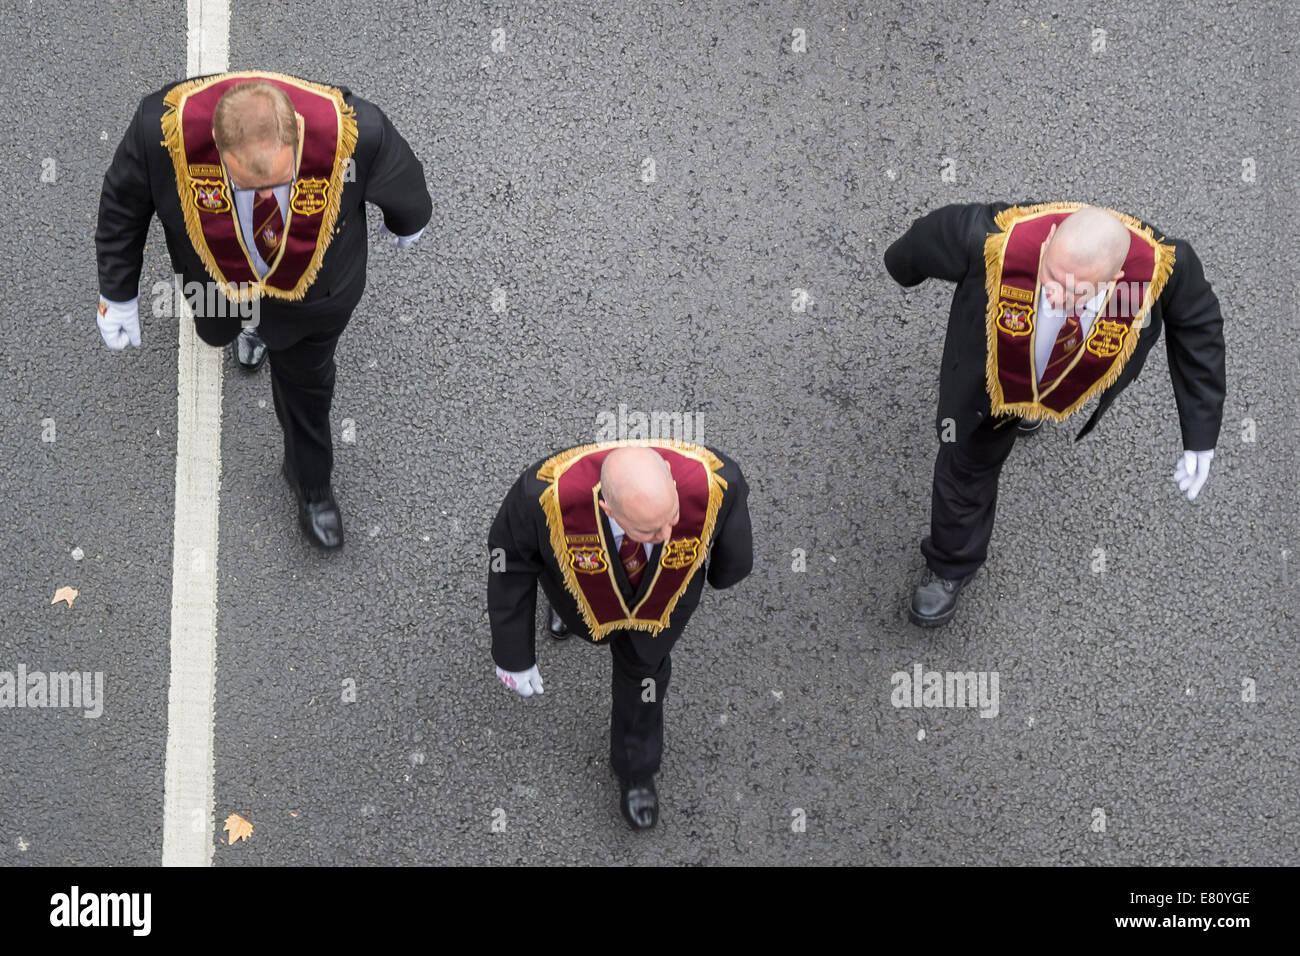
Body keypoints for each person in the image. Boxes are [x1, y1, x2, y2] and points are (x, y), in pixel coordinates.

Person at [94, 70, 431, 548]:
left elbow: (402, 177)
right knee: (217, 330)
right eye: (250, 185)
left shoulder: (356, 129)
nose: (269, 196)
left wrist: (409, 219)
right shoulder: (159, 131)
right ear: (218, 152)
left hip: (314, 300)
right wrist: (117, 293)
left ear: (295, 136)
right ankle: (249, 330)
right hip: (217, 287)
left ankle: (310, 483)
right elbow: (122, 207)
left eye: (279, 180)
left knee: (309, 388)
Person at [884, 202, 1226, 626]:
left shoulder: (1159, 269)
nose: (1058, 297)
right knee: (966, 464)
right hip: (988, 384)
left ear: (1116, 280)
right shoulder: (991, 236)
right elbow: (923, 238)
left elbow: (1200, 328)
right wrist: (901, 267)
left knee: (1050, 380)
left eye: (1079, 292)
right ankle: (950, 565)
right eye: (1052, 277)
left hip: (1068, 376)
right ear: (1046, 245)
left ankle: (1037, 402)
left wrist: (1200, 434)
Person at [488, 440, 753, 830]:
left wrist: (728, 570)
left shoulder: (717, 480)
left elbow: (730, 539)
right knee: (571, 575)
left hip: (657, 612)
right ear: (607, 510)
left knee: (644, 681)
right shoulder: (541, 495)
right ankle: (567, 609)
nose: (666, 535)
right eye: (648, 530)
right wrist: (513, 655)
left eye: (672, 518)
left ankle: (636, 768)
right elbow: (509, 561)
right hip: (580, 590)